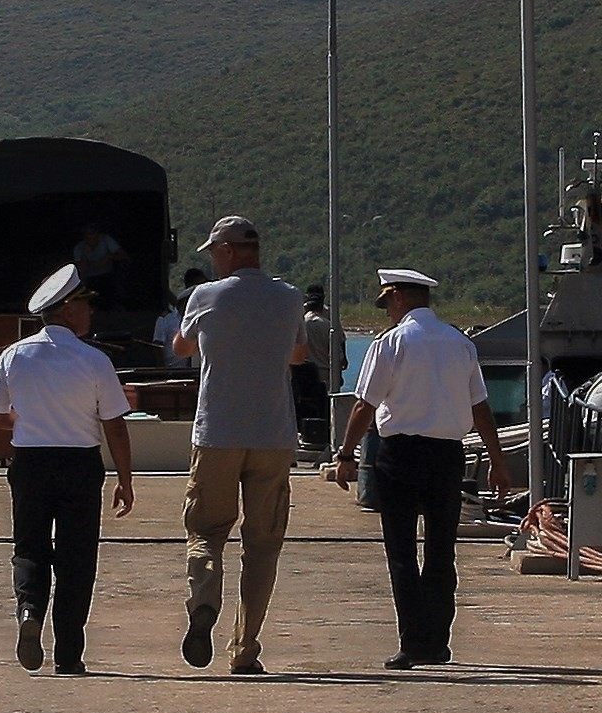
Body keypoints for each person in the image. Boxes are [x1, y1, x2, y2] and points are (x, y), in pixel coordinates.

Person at [329, 268, 500, 669]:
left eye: (387, 302)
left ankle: (413, 642)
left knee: (402, 551)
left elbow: (364, 405)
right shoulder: (461, 343)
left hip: (400, 454)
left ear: (399, 297)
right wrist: (496, 460)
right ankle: (438, 642)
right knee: (442, 551)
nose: (387, 311)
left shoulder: (391, 343)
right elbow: (480, 408)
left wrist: (345, 454)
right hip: (447, 456)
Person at [0, 263, 136, 675]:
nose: (90, 313)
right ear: (66, 310)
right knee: (77, 558)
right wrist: (125, 478)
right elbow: (114, 425)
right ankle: (69, 653)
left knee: (30, 547)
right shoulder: (94, 360)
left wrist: (20, 421)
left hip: (31, 462)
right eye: (84, 305)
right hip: (79, 464)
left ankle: (30, 611)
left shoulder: (15, 354)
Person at [172, 214, 308, 677]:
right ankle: (245, 648)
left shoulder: (205, 296)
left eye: (213, 253)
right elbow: (299, 354)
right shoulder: (289, 298)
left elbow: (182, 347)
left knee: (206, 530)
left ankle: (205, 603)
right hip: (273, 435)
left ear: (227, 250)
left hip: (218, 432)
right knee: (264, 543)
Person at [293, 283, 341, 460]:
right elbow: (339, 355)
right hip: (323, 375)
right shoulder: (328, 324)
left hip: (301, 375)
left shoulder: (300, 322)